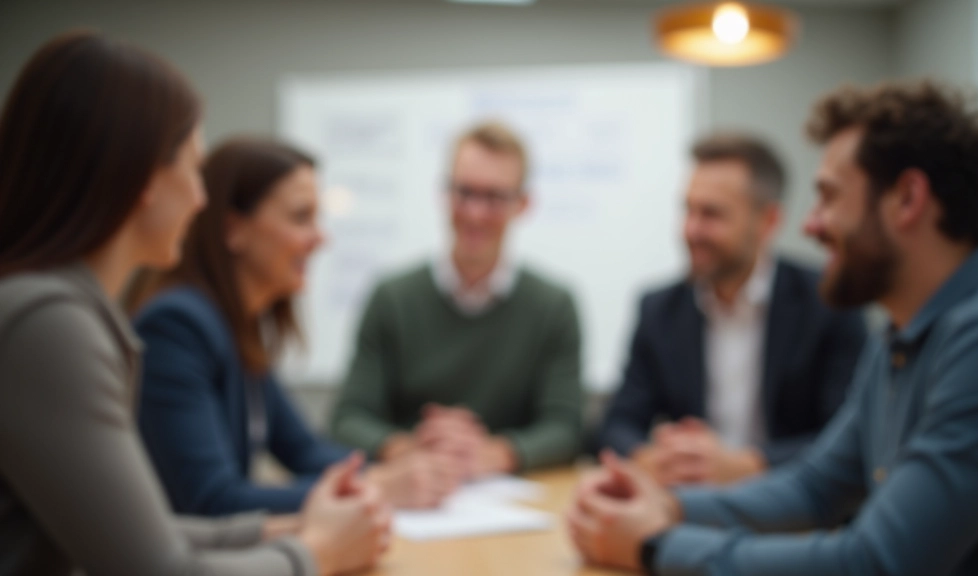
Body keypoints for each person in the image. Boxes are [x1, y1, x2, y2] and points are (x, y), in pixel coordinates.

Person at [567, 80, 978, 575]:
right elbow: (815, 486)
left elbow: (873, 562)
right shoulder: (902, 331)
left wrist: (655, 545)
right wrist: (667, 506)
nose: (811, 224)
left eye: (828, 197)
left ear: (908, 200)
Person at [0, 32, 388, 576]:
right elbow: (158, 566)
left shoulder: (62, 309)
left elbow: (144, 533)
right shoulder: (50, 321)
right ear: (141, 177)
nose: (201, 199)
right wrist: (317, 553)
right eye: (192, 169)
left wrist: (294, 528)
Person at [127, 138, 460, 516]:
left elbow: (305, 450)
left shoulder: (237, 328)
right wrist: (378, 485)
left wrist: (406, 467)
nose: (320, 238)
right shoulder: (177, 327)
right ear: (233, 230)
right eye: (301, 218)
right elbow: (214, 500)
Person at [599, 134, 866, 486]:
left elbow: (852, 436)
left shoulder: (829, 301)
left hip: (796, 507)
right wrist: (652, 458)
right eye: (688, 210)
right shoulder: (660, 309)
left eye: (711, 214)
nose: (690, 230)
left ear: (768, 221)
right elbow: (616, 424)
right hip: (692, 507)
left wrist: (748, 465)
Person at [329, 121, 583, 478]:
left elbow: (567, 428)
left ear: (523, 204)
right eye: (464, 192)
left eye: (494, 197)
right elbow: (348, 418)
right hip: (408, 498)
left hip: (512, 506)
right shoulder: (392, 298)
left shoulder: (553, 306)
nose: (475, 213)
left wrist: (494, 453)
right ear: (444, 194)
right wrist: (411, 448)